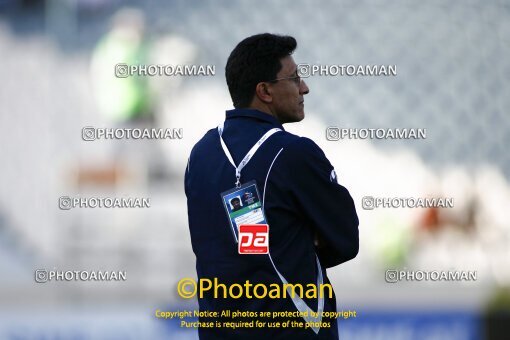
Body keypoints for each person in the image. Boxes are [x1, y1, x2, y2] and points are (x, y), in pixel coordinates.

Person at [185, 33, 359, 340]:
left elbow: (222, 247)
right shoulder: (294, 153)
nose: (304, 87)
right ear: (264, 91)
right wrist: (299, 239)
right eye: (294, 78)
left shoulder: (201, 153)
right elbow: (345, 240)